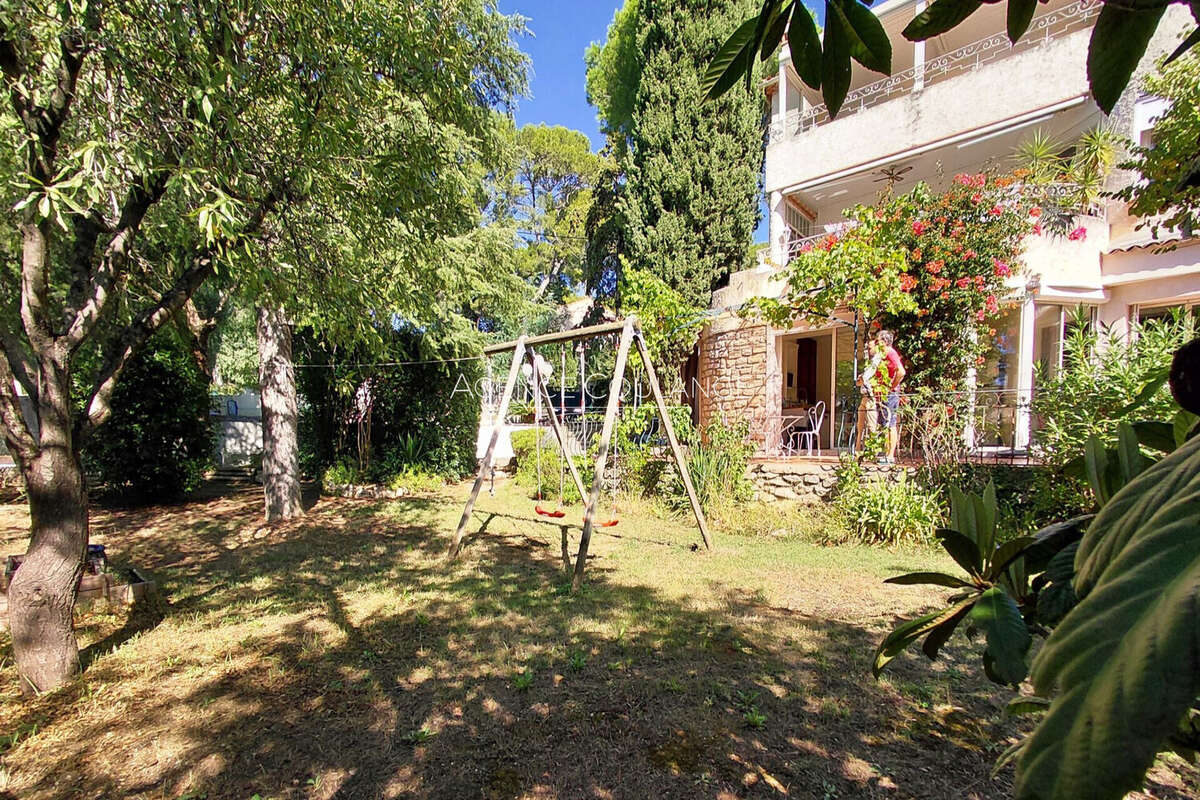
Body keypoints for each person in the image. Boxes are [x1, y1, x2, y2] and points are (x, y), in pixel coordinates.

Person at [875, 329, 906, 464]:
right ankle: (886, 453)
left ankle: (890, 455)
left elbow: (901, 372)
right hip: (882, 393)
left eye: (878, 340)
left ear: (885, 341)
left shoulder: (891, 353)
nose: (876, 343)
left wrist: (891, 387)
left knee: (890, 423)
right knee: (884, 423)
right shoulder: (882, 355)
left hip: (890, 394)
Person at [855, 338, 885, 455]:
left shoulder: (877, 362)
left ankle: (874, 452)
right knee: (860, 426)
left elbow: (865, 378)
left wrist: (863, 379)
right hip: (864, 397)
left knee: (872, 425)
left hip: (871, 397)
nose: (868, 350)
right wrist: (862, 379)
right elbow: (859, 381)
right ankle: (857, 451)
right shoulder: (869, 363)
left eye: (870, 347)